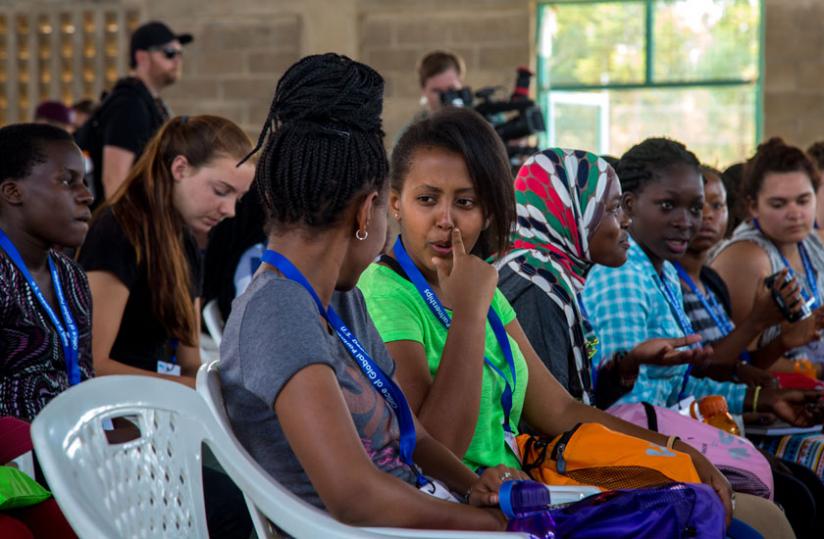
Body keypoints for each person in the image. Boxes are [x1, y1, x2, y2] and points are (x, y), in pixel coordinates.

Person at [358, 110, 734, 519]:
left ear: (487, 213)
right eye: (426, 199)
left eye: (465, 202)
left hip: (519, 493)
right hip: (458, 511)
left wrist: (678, 451)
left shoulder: (481, 286)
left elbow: (560, 410)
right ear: (395, 204)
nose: (445, 220)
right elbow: (436, 444)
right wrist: (468, 312)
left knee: (703, 508)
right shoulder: (387, 294)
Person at [220, 53, 520, 531]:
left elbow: (413, 435)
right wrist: (489, 527)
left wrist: (471, 487)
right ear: (367, 213)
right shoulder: (277, 311)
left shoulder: (341, 300)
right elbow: (355, 497)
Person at [583, 137, 822, 423]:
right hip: (642, 447)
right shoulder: (622, 274)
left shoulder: (663, 272)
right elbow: (626, 409)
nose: (686, 221)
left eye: (695, 208)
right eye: (668, 205)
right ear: (630, 205)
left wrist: (763, 399)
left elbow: (677, 387)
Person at [498, 148, 710, 407]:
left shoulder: (552, 275)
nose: (626, 221)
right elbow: (552, 419)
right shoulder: (537, 287)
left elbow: (579, 399)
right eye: (612, 209)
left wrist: (628, 364)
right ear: (574, 215)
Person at [78, 115, 254, 389]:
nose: (230, 211)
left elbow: (190, 361)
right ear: (180, 168)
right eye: (221, 191)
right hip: (114, 410)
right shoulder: (118, 229)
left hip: (159, 405)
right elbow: (93, 364)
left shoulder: (185, 241)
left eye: (238, 199)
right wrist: (189, 387)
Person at [0, 123, 93, 423]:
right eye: (67, 182)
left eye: (84, 182)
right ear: (13, 191)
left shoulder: (70, 275)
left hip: (71, 444)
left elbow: (84, 374)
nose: (87, 196)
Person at [712, 138, 824, 370]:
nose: (795, 213)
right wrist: (815, 372)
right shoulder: (747, 257)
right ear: (753, 206)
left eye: (803, 200)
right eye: (778, 204)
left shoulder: (813, 242)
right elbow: (740, 362)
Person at [75, 21, 192, 208]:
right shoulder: (129, 104)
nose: (177, 60)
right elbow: (114, 181)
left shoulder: (149, 103)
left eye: (180, 53)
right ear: (142, 57)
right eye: (169, 53)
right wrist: (126, 233)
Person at [417, 51, 466, 115]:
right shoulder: (418, 124)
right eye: (437, 91)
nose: (445, 96)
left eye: (451, 89)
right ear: (424, 90)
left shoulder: (476, 122)